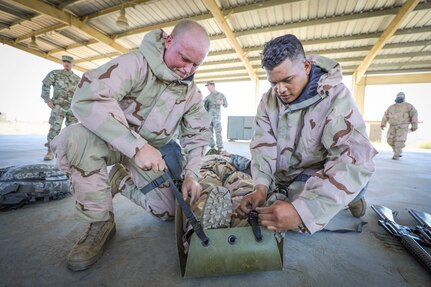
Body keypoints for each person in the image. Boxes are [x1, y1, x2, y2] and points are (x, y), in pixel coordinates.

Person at [50, 20, 211, 271]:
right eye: (184, 58)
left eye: (196, 65)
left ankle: (120, 181)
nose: (188, 69)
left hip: (154, 152)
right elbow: (87, 96)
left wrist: (192, 175)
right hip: (112, 139)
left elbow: (198, 135)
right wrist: (135, 146)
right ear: (169, 41)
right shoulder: (136, 63)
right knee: (72, 140)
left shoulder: (191, 94)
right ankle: (100, 223)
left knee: (169, 212)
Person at [235, 34, 378, 235]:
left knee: (305, 209)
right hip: (286, 175)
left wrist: (302, 212)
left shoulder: (335, 98)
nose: (280, 90)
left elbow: (354, 161)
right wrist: (261, 187)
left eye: (287, 80)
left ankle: (354, 198)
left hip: (318, 171)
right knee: (274, 206)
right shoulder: (269, 100)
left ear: (307, 67)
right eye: (273, 83)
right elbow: (262, 147)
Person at [40, 55, 80, 161]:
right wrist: (47, 99)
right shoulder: (55, 74)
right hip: (58, 106)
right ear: (62, 62)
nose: (67, 63)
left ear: (73, 64)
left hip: (72, 108)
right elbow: (46, 84)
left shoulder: (77, 79)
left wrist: (80, 105)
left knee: (73, 131)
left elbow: (82, 92)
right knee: (55, 129)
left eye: (69, 62)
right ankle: (50, 151)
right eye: (65, 61)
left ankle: (71, 152)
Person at [380, 92, 418, 160]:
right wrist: (383, 124)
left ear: (404, 97)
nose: (399, 97)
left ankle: (396, 155)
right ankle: (397, 151)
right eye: (398, 96)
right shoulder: (391, 107)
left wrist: (414, 125)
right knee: (390, 140)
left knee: (399, 140)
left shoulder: (408, 106)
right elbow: (385, 116)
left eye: (401, 96)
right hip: (392, 126)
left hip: (403, 126)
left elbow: (414, 115)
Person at [204, 81, 228, 153]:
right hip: (208, 117)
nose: (207, 87)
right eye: (207, 86)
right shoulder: (207, 97)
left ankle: (220, 147)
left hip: (216, 118)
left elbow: (226, 105)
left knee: (218, 132)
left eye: (208, 85)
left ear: (213, 85)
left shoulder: (220, 95)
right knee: (209, 133)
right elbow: (203, 106)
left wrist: (222, 103)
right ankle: (212, 147)